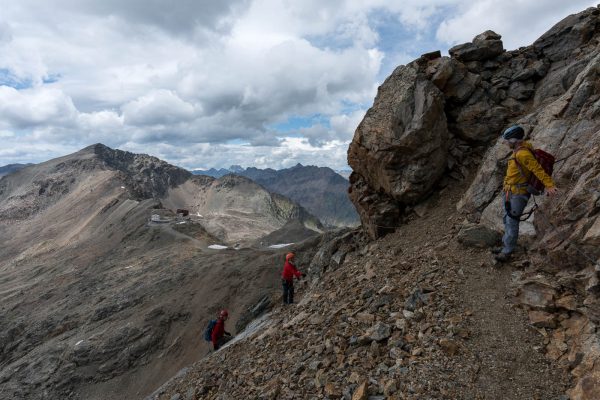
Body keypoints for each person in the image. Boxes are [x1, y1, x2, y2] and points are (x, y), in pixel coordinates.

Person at [495, 125, 558, 263]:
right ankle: (506, 244)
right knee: (507, 219)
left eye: (507, 140)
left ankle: (507, 251)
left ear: (514, 140)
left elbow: (537, 170)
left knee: (512, 221)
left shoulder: (523, 154)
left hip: (518, 193)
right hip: (510, 191)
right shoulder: (519, 148)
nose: (505, 143)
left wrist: (549, 185)